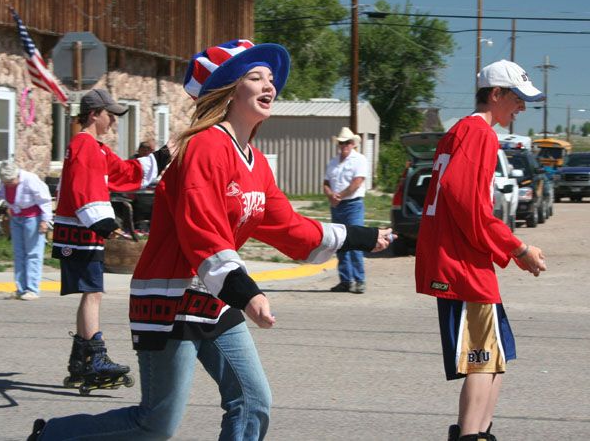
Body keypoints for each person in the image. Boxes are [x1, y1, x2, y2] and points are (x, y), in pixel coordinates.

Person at [28, 39, 394, 441]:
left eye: (271, 78)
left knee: (253, 402)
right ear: (229, 90)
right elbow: (202, 230)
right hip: (169, 298)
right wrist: (245, 290)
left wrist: (363, 236)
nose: (269, 85)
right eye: (256, 77)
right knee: (156, 425)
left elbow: (289, 227)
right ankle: (52, 436)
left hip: (213, 297)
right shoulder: (203, 147)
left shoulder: (251, 160)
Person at [415, 60, 547, 441]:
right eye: (517, 98)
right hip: (463, 266)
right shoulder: (479, 133)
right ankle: (473, 435)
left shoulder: (460, 131)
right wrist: (518, 248)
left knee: (495, 359)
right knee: (483, 361)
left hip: (464, 262)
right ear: (496, 94)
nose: (521, 107)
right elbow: (468, 206)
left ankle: (479, 433)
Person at [51, 89, 171, 390]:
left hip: (80, 232)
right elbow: (82, 186)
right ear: (94, 114)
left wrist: (162, 157)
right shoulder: (83, 145)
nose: (113, 122)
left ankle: (81, 358)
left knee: (91, 293)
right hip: (79, 232)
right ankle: (95, 357)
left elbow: (122, 172)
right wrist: (101, 220)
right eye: (110, 116)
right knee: (93, 293)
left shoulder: (95, 148)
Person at [0, 161, 52, 300]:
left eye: (11, 181)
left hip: (33, 218)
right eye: (6, 182)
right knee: (19, 253)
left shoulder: (30, 179)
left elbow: (45, 200)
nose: (9, 184)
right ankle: (21, 289)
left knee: (33, 253)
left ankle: (32, 289)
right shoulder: (6, 183)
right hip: (16, 218)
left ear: (17, 174)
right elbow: (3, 193)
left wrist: (45, 221)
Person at [324, 126, 369, 294]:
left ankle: (359, 280)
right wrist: (330, 195)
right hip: (337, 205)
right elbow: (326, 183)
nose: (345, 145)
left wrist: (339, 196)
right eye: (342, 142)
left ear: (353, 143)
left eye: (348, 142)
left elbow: (357, 182)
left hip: (353, 204)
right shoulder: (333, 162)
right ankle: (346, 280)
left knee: (355, 242)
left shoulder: (360, 159)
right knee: (340, 243)